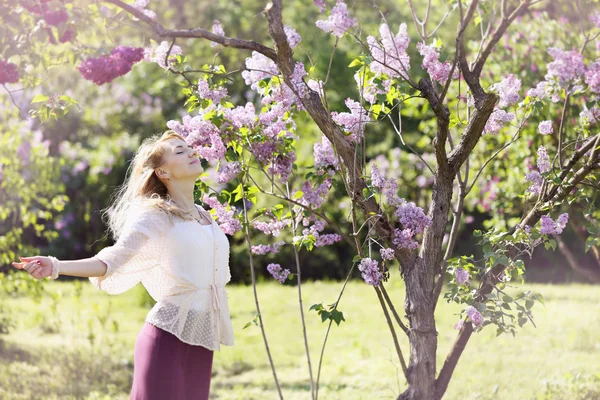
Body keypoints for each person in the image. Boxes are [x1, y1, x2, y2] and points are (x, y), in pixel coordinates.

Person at [11, 130, 235, 400]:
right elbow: (111, 261)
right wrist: (56, 265)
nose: (191, 152)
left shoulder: (203, 215)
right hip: (167, 339)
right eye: (180, 151)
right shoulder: (156, 216)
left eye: (189, 148)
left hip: (202, 339)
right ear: (163, 173)